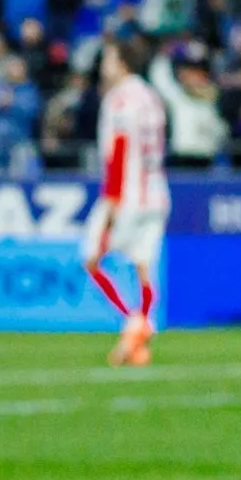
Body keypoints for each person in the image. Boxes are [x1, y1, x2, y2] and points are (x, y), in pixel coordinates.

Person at [83, 31, 167, 368]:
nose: (104, 66)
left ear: (121, 63)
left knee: (92, 258)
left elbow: (117, 152)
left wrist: (113, 202)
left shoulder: (118, 100)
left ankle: (134, 323)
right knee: (144, 267)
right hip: (157, 193)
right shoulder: (152, 97)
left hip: (127, 195)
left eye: (108, 59)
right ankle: (138, 339)